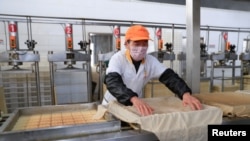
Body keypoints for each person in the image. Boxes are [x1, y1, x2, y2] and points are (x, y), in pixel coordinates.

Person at [102, 24, 202, 116]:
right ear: (127, 44)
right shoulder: (118, 58)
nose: (141, 48)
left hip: (135, 106)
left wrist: (185, 93)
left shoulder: (150, 61)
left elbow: (168, 76)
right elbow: (112, 82)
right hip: (112, 105)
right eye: (136, 44)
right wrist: (133, 98)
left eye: (144, 44)